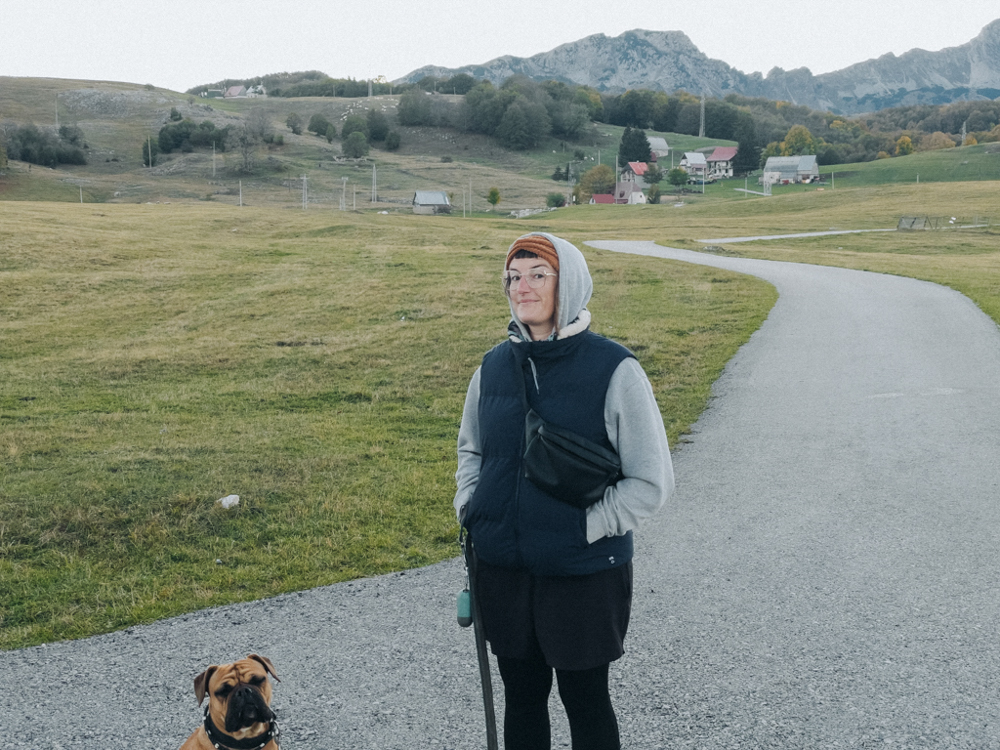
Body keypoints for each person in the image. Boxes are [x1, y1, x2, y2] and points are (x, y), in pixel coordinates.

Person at [454, 232, 674, 750]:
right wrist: (472, 507)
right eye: (513, 277)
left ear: (567, 283)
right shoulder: (491, 369)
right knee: (522, 699)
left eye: (537, 275)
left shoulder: (614, 369)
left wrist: (586, 528)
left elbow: (651, 481)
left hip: (583, 573)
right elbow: (472, 451)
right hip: (505, 569)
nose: (521, 287)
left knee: (586, 701)